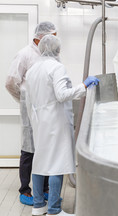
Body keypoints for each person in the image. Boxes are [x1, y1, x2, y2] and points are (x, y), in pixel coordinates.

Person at [25, 35, 99, 216]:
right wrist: (84, 85)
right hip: (55, 122)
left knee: (40, 162)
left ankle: (38, 205)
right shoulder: (56, 68)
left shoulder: (32, 69)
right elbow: (62, 94)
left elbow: (28, 99)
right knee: (57, 163)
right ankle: (54, 209)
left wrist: (35, 120)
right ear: (57, 50)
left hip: (40, 121)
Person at [5, 21, 57, 206]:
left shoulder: (48, 55)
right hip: (30, 108)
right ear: (39, 37)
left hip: (46, 108)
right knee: (29, 148)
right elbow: (11, 82)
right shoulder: (25, 54)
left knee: (43, 147)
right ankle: (25, 189)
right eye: (51, 35)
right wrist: (23, 100)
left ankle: (43, 188)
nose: (54, 39)